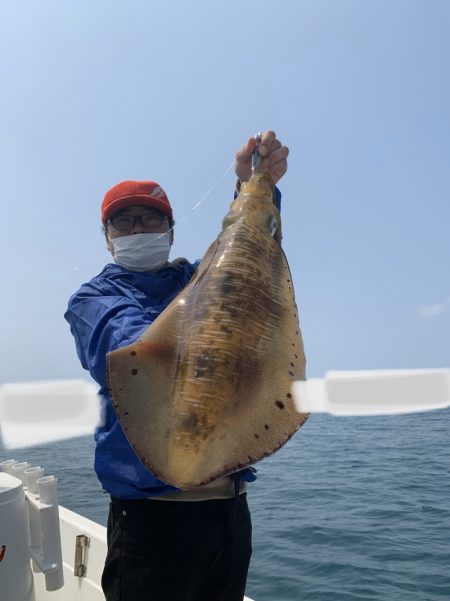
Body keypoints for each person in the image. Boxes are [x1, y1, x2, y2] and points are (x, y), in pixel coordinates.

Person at [65, 130, 289, 601]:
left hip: (229, 510)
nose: (138, 229)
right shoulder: (93, 299)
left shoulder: (197, 278)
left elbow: (248, 269)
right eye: (124, 222)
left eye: (151, 219)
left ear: (169, 229)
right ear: (107, 239)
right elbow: (137, 353)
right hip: (152, 521)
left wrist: (256, 186)